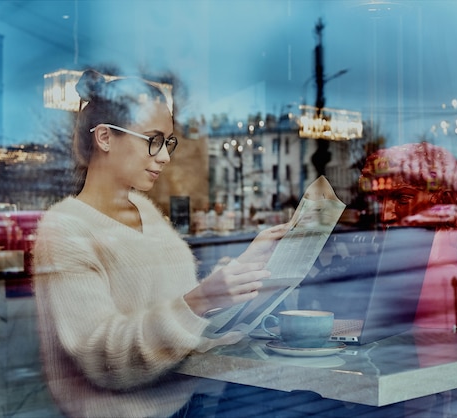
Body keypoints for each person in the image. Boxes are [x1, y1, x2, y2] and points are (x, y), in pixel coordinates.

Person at [32, 69, 287, 418]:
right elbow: (104, 359)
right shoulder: (65, 229)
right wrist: (202, 298)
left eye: (168, 142)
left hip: (188, 401)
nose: (165, 157)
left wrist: (244, 268)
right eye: (153, 140)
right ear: (105, 137)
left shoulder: (146, 212)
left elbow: (178, 311)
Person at [358, 141, 457, 330]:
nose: (386, 215)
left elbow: (439, 355)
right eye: (381, 200)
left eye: (402, 199)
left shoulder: (438, 276)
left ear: (442, 200)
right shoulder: (411, 268)